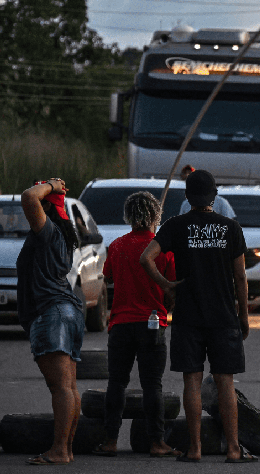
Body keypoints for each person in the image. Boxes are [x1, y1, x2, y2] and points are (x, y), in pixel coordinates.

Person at [140, 170, 255, 463]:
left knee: (191, 382)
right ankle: (232, 448)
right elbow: (240, 277)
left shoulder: (176, 225)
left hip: (188, 317)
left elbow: (146, 258)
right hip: (223, 316)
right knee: (224, 382)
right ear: (214, 196)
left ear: (188, 197)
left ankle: (195, 449)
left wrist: (166, 284)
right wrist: (243, 315)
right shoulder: (231, 228)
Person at [93, 192, 181, 458]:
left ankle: (110, 441)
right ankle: (157, 442)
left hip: (120, 323)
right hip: (151, 323)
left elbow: (107, 276)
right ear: (155, 215)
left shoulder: (117, 246)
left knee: (116, 383)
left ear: (128, 216)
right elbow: (172, 289)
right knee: (152, 385)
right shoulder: (162, 248)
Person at [17, 178, 84, 465]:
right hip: (66, 311)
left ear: (46, 208)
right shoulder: (61, 235)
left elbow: (28, 197)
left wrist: (52, 185)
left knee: (61, 388)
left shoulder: (48, 232)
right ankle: (65, 449)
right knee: (68, 387)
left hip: (52, 313)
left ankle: (59, 449)